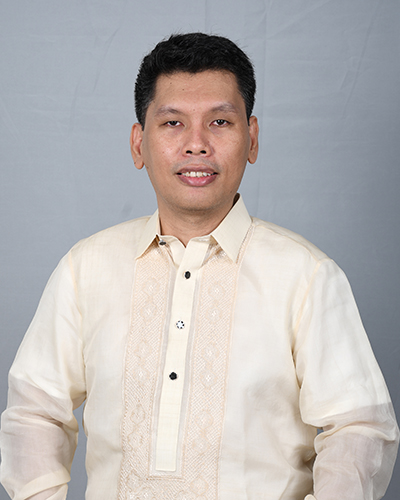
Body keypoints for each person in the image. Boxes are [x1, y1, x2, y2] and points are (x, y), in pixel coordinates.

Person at [0, 32, 398, 500]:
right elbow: (34, 412)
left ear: (252, 139)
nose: (196, 144)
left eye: (220, 122)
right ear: (138, 144)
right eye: (172, 122)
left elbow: (359, 427)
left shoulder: (307, 276)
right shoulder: (85, 269)